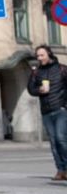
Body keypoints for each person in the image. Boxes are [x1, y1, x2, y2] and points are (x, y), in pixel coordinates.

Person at [28, 44, 67, 181]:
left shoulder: (62, 69)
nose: (39, 58)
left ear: (49, 54)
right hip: (46, 111)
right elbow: (30, 89)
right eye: (38, 56)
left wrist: (65, 104)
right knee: (53, 142)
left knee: (61, 138)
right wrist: (39, 90)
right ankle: (61, 170)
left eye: (42, 55)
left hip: (61, 110)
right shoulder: (36, 72)